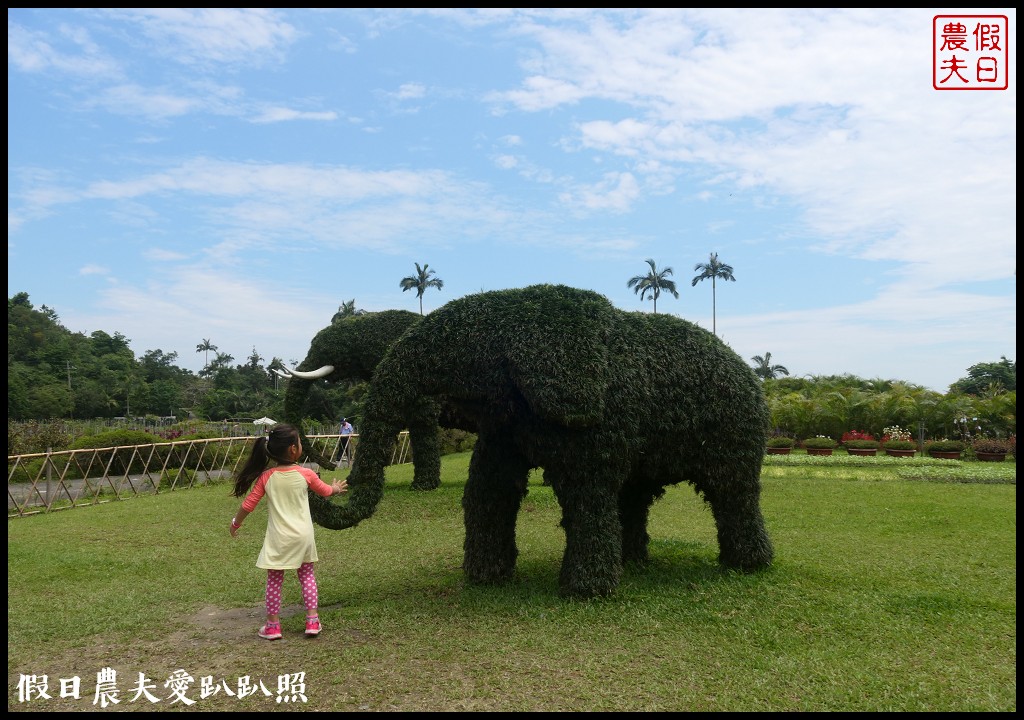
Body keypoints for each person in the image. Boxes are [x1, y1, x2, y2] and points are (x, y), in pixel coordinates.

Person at [229, 423, 347, 640]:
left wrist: (236, 522)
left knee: (274, 580)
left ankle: (273, 626)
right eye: (300, 442)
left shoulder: (267, 477)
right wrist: (337, 488)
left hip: (278, 539)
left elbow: (248, 505)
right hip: (303, 536)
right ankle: (312, 621)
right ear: (293, 449)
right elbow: (326, 491)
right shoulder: (306, 473)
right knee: (307, 575)